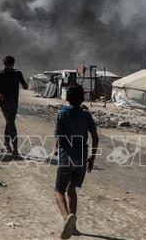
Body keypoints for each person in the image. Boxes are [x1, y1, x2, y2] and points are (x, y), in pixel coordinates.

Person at [53, 84, 99, 239]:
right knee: (72, 189)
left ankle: (67, 218)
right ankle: (73, 227)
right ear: (82, 99)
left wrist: (56, 148)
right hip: (81, 157)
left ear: (67, 97)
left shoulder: (62, 113)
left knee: (59, 191)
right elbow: (95, 137)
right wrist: (92, 158)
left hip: (67, 156)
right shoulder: (86, 115)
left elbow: (59, 136)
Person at [0, 55, 28, 155]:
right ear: (4, 64)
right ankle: (15, 148)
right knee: (11, 123)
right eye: (7, 65)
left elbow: (24, 85)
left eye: (10, 65)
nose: (9, 67)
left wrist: (25, 85)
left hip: (14, 102)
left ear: (13, 64)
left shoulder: (18, 73)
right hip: (3, 102)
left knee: (10, 122)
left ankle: (6, 143)